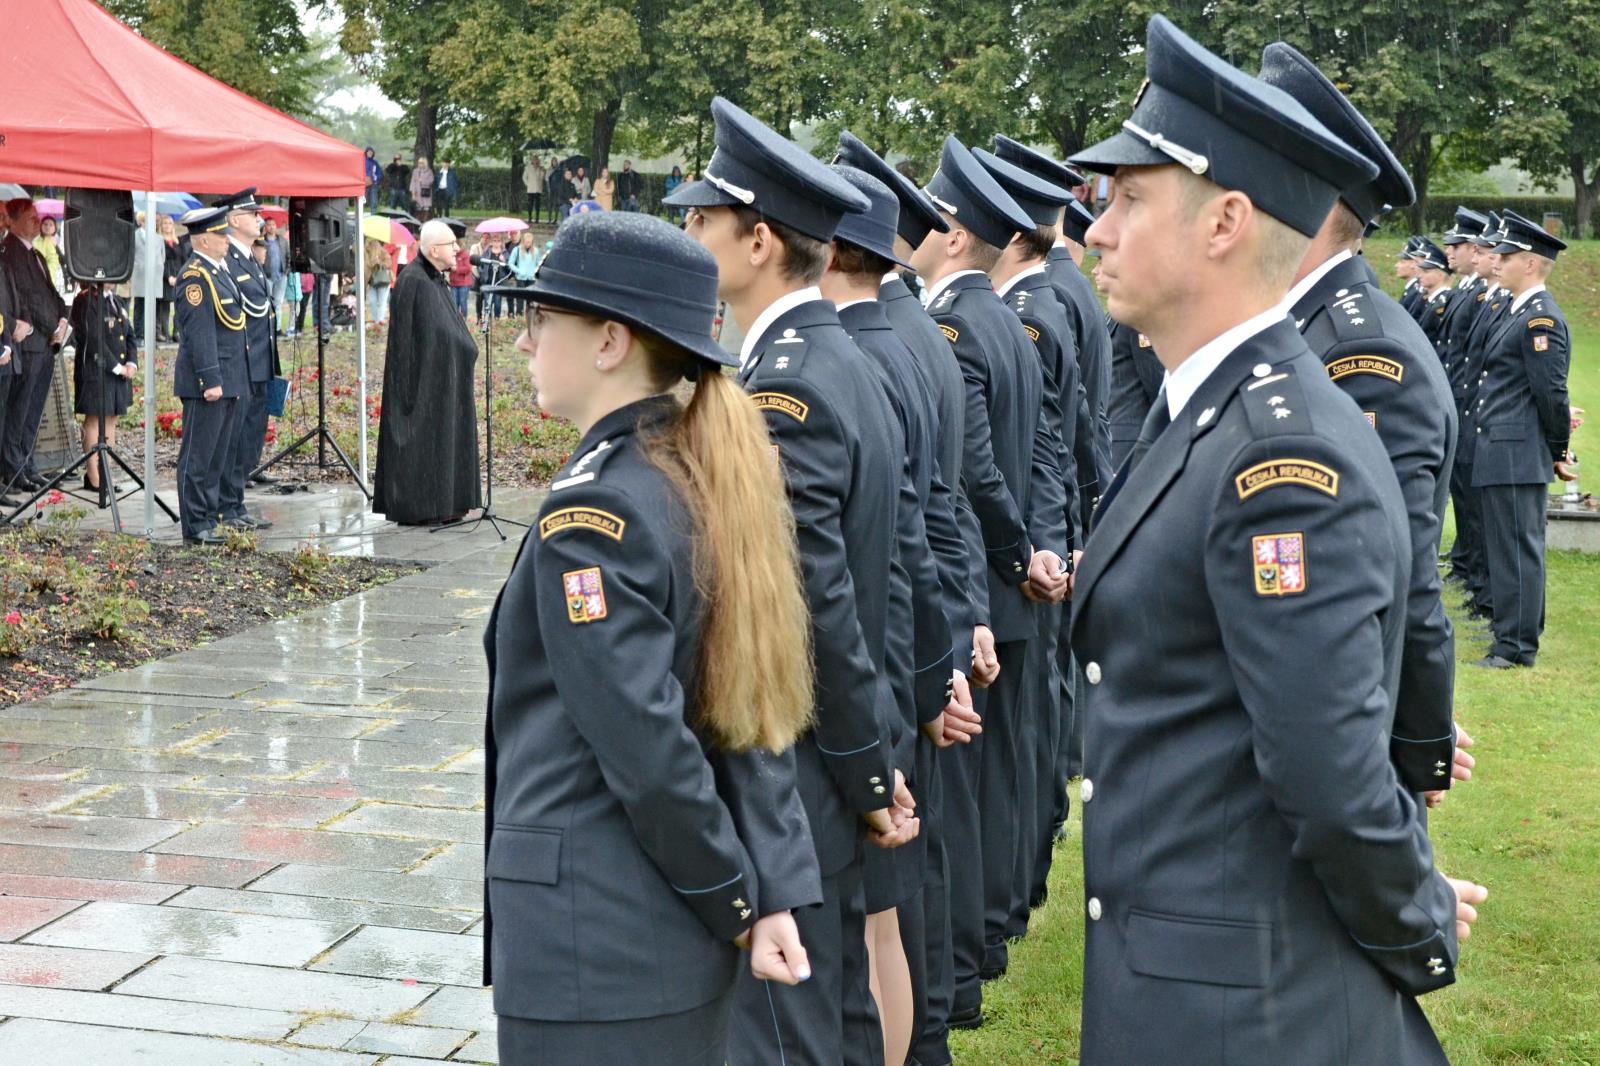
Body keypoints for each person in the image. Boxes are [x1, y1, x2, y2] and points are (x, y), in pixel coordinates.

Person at [1063, 16, 1485, 1062]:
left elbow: (1328, 772)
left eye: (1126, 201)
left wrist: (1418, 921)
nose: (1094, 233)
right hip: (1189, 982)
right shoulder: (1200, 412)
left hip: (1243, 1013)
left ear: (1224, 224)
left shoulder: (1277, 463)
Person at [479, 209, 820, 1066]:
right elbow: (741, 716)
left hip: (599, 945)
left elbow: (650, 749)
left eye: (541, 320)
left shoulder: (596, 516)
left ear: (609, 343)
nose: (524, 343)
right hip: (650, 941)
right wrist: (756, 894)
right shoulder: (683, 471)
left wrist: (736, 900)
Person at [667, 96, 916, 1066]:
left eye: (703, 220)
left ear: (758, 239)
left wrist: (861, 770)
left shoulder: (788, 384)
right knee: (836, 1018)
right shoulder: (830, 357)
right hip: (830, 756)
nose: (688, 235)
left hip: (797, 762)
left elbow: (812, 606)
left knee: (789, 1032)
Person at [1260, 41, 1466, 802]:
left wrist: (1418, 739)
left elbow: (1396, 566)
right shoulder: (1316, 326)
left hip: (1349, 735)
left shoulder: (1360, 351)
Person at [910, 138, 1069, 1020]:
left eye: (936, 218)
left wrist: (1015, 555)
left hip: (977, 581)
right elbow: (1044, 452)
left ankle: (976, 947)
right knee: (1005, 768)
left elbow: (974, 469)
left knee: (973, 790)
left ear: (959, 235)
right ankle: (995, 929)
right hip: (1007, 580)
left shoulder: (958, 324)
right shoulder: (1003, 318)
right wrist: (1042, 546)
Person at [834, 129, 982, 1066]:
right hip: (911, 648)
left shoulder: (864, 354)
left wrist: (925, 681)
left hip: (879, 659)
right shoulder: (914, 335)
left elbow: (903, 540)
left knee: (875, 925)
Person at [972, 143, 1087, 944]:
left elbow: (1034, 451)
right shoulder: (1050, 301)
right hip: (1041, 544)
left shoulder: (1031, 315)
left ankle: (1005, 903)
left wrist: (1035, 549)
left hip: (1019, 559)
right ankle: (1014, 890)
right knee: (1029, 729)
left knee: (1016, 740)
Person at [1472, 210, 1576, 669]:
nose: (1498, 261)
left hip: (1517, 450)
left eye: (1507, 256)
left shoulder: (1541, 321)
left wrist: (1556, 451)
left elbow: (1551, 393)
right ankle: (1508, 634)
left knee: (1518, 548)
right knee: (1505, 546)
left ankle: (1516, 647)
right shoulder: (1517, 311)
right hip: (1500, 446)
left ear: (1530, 263)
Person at [373, 219, 482, 526]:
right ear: (434, 249)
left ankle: (450, 501)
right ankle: (425, 506)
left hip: (445, 380)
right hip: (423, 386)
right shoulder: (414, 280)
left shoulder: (434, 279)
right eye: (451, 244)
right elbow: (409, 342)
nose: (458, 249)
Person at [172, 205, 247, 546]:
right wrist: (210, 379)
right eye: (221, 235)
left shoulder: (218, 271)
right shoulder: (195, 277)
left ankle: (209, 515)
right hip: (210, 381)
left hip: (229, 377)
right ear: (202, 239)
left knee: (217, 455)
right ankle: (195, 522)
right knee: (199, 456)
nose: (227, 241)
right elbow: (200, 333)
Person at [215, 188, 278, 530]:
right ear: (234, 220)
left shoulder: (250, 257)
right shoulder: (228, 259)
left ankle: (235, 504)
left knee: (250, 438)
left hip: (259, 363)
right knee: (235, 438)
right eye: (253, 214)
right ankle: (226, 506)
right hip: (242, 362)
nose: (259, 219)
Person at [0, 199, 69, 494]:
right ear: (13, 221)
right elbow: (25, 299)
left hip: (46, 344)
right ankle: (13, 469)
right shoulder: (11, 254)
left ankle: (27, 464)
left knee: (34, 411)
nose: (35, 222)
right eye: (29, 218)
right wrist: (50, 326)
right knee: (20, 410)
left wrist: (64, 319)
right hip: (29, 344)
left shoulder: (38, 254)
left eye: (36, 217)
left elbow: (52, 294)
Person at [68, 282, 136, 495]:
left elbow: (130, 335)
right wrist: (116, 366)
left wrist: (131, 363)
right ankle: (94, 478)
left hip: (118, 374)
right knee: (95, 420)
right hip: (96, 373)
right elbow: (93, 338)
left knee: (111, 420)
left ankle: (104, 474)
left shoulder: (115, 301)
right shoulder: (86, 299)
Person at [262, 217, 287, 337]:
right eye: (268, 224)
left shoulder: (282, 241)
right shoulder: (262, 241)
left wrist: (286, 271)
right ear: (265, 227)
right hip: (267, 276)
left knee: (278, 303)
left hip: (281, 276)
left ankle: (277, 328)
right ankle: (267, 328)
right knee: (267, 303)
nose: (271, 227)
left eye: (273, 224)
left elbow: (288, 256)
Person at [33, 215, 67, 298]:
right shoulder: (35, 241)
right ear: (41, 226)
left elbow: (63, 260)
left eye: (51, 225)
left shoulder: (60, 241)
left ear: (55, 227)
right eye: (45, 224)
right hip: (39, 279)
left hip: (57, 280)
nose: (48, 227)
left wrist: (56, 246)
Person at [365, 237, 393, 326]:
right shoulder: (366, 253)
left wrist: (380, 263)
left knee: (382, 301)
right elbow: (366, 266)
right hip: (371, 281)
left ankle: (379, 320)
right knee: (373, 301)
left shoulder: (383, 252)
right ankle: (376, 319)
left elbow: (389, 263)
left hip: (383, 280)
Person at [449, 241, 473, 317]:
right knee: (454, 303)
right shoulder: (451, 254)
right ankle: (454, 321)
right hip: (453, 283)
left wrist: (456, 269)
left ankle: (464, 320)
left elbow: (468, 268)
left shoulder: (465, 254)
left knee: (463, 302)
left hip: (464, 283)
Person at [522, 156, 546, 224]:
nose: (536, 161)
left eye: (537, 160)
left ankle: (537, 219)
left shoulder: (540, 169)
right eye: (534, 160)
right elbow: (524, 177)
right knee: (530, 204)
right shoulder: (528, 168)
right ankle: (530, 218)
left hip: (538, 189)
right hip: (530, 189)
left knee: (537, 205)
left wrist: (542, 171)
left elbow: (542, 178)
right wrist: (528, 184)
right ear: (532, 161)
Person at [364, 147, 383, 211]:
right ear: (366, 153)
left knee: (374, 201)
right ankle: (360, 217)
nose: (370, 153)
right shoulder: (362, 161)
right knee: (362, 202)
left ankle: (374, 215)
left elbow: (379, 172)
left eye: (371, 152)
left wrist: (376, 179)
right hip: (364, 184)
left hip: (373, 184)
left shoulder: (375, 162)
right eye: (369, 152)